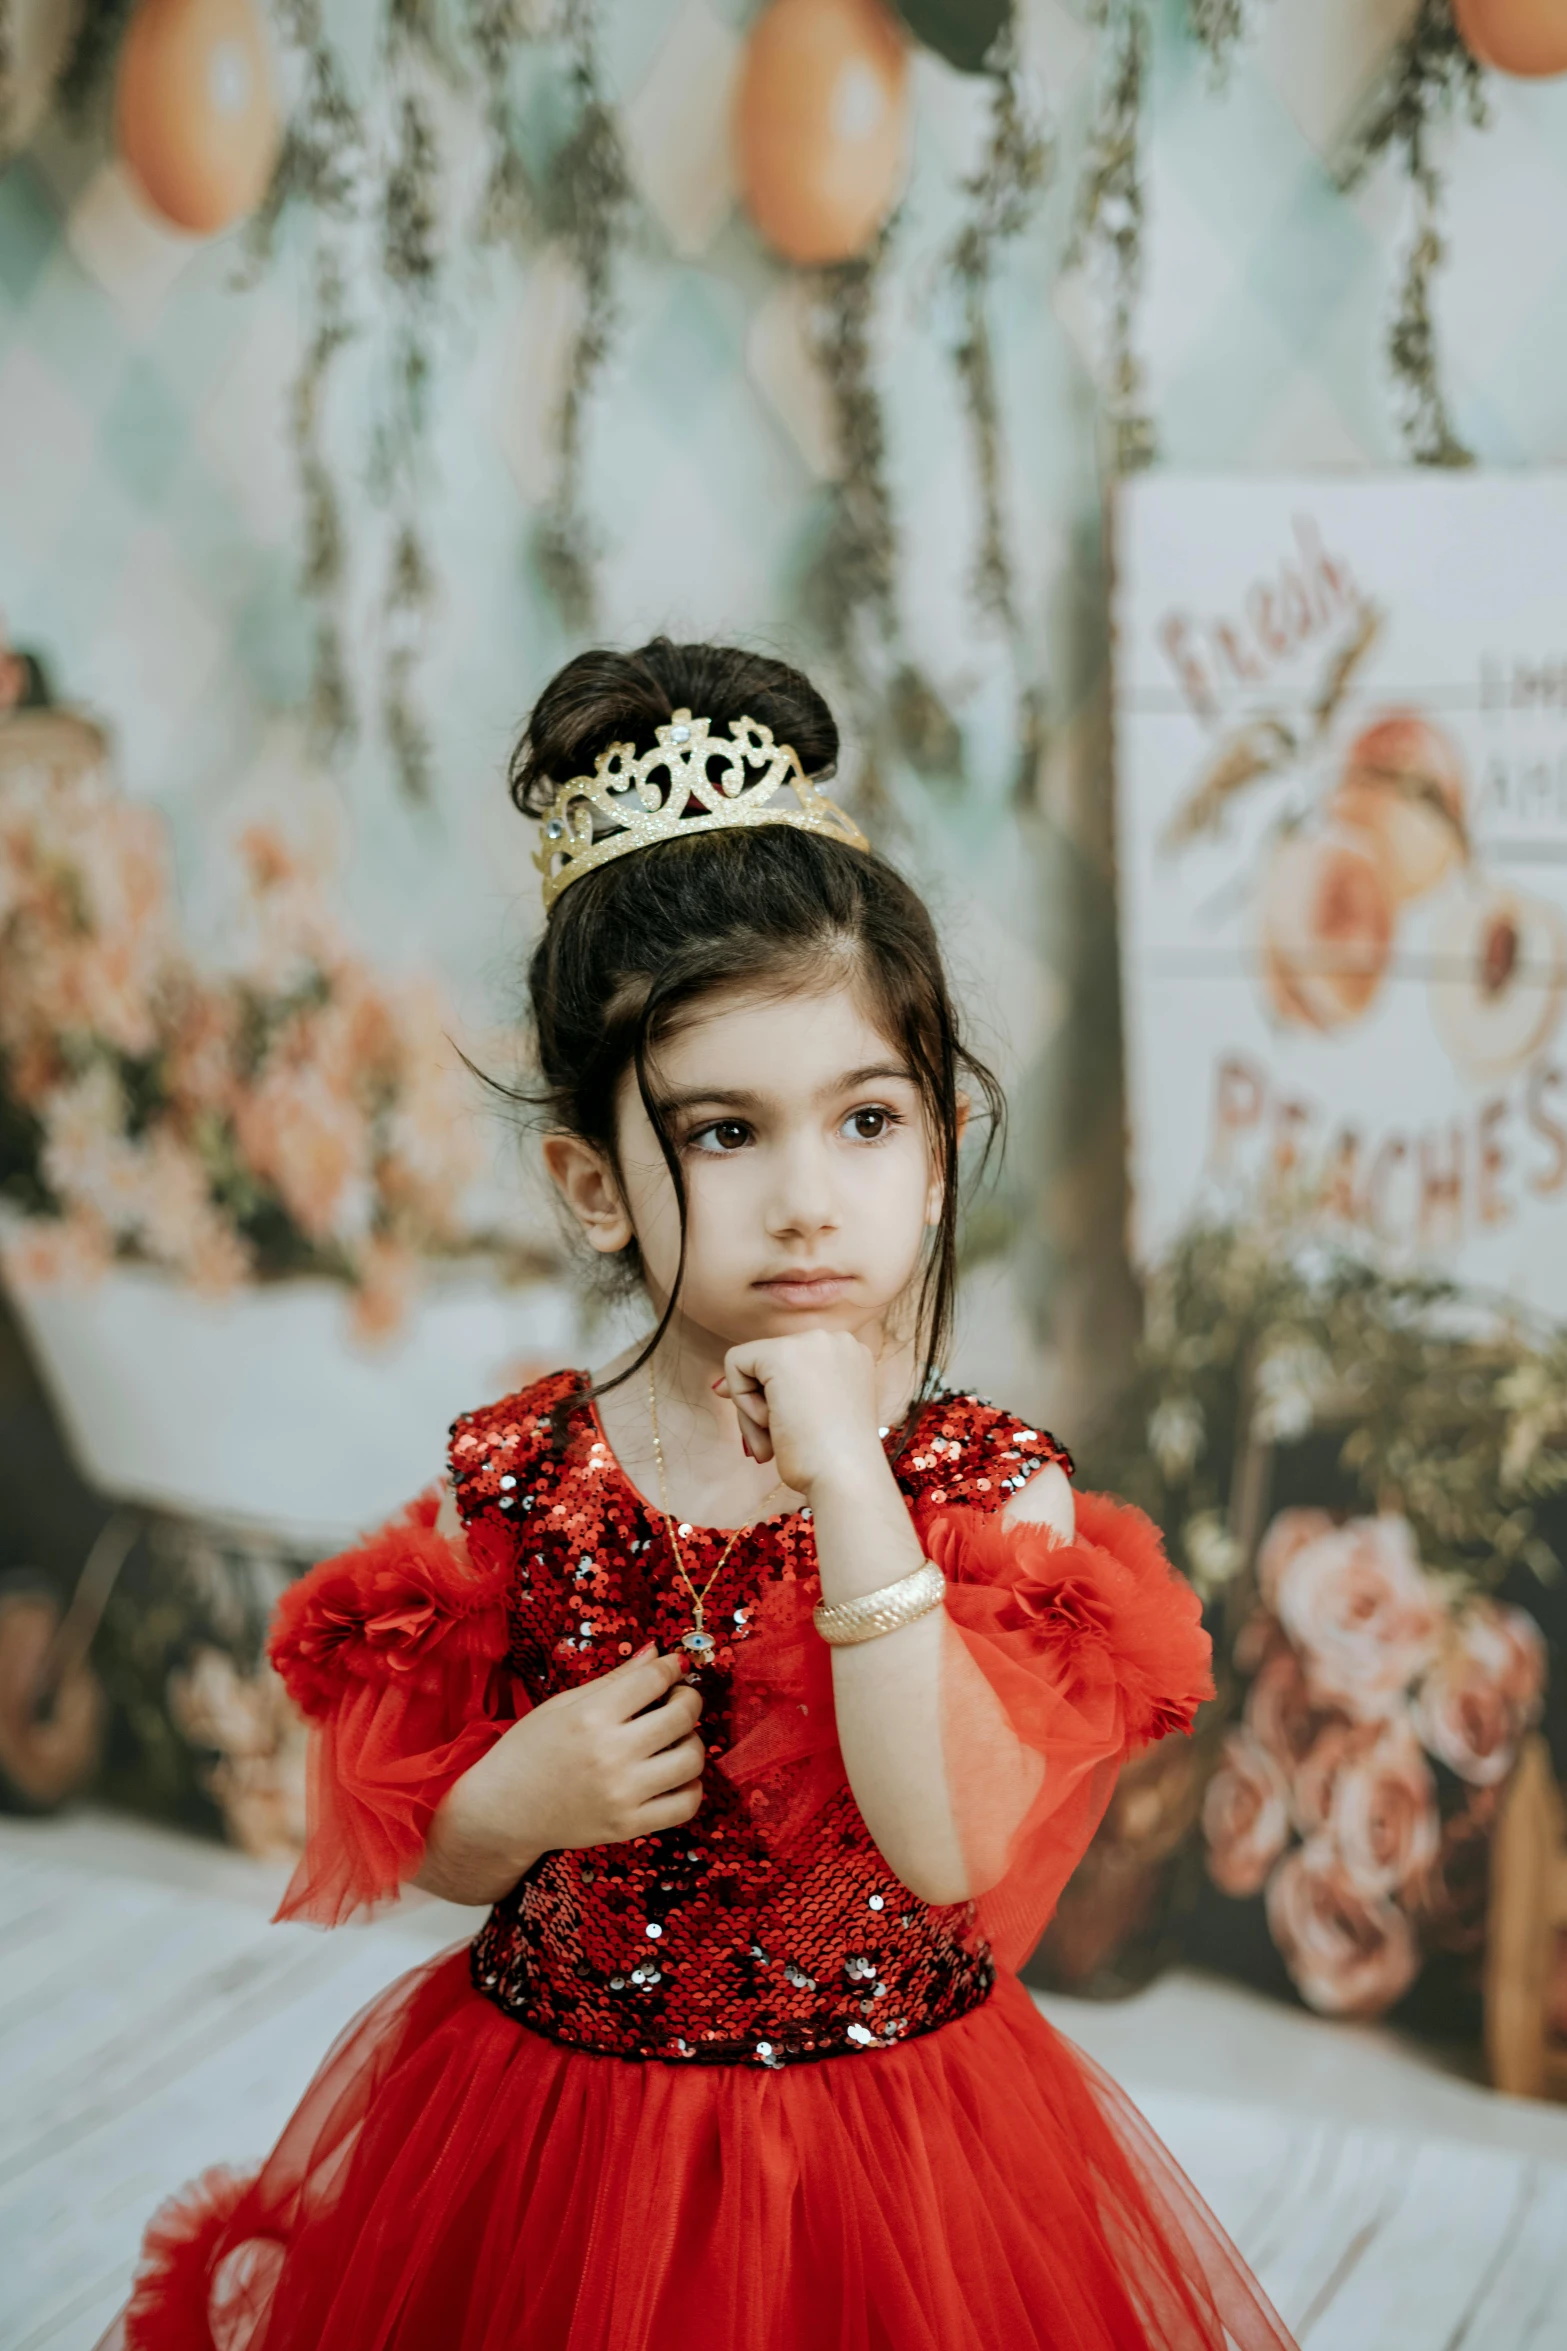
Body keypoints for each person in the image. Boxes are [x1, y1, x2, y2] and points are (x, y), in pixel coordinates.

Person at [105, 641, 1296, 2351]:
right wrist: (510, 1802)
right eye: (724, 1134)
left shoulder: (983, 1489)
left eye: (865, 1120)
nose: (809, 1199)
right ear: (596, 1183)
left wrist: (841, 1478)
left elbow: (946, 1839)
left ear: (944, 1134)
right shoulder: (525, 1478)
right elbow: (408, 1841)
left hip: (887, 2147)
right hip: (557, 2128)